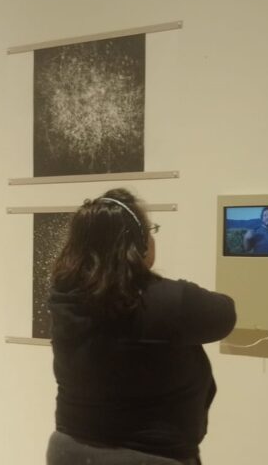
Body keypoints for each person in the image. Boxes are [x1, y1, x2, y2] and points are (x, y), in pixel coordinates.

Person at [46, 188, 236, 465]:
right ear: (138, 243)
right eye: (149, 229)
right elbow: (226, 314)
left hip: (71, 451)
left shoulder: (64, 299)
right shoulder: (170, 302)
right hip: (151, 457)